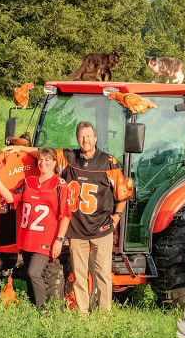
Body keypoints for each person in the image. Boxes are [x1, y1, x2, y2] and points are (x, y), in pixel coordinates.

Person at [56, 121, 132, 314]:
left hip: (101, 228)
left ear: (95, 138)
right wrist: (19, 149)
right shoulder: (69, 157)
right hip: (77, 229)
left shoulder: (108, 162)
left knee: (103, 274)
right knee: (79, 274)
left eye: (89, 136)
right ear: (77, 139)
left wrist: (116, 217)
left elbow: (122, 194)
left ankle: (104, 314)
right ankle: (83, 313)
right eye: (82, 136)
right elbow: (44, 155)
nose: (85, 140)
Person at [0, 147, 71, 312]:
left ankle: (43, 310)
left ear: (54, 163)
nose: (43, 163)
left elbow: (65, 216)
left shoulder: (60, 186)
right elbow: (10, 198)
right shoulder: (28, 182)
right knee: (30, 276)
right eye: (40, 159)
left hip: (46, 239)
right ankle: (34, 309)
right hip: (27, 238)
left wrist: (59, 240)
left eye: (48, 159)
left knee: (33, 272)